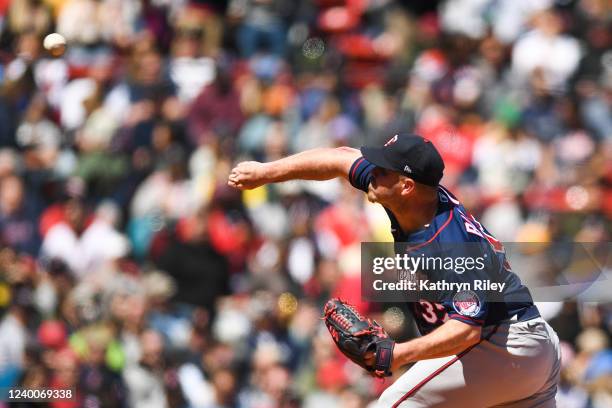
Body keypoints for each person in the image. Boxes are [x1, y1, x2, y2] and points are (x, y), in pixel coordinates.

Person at [228, 133, 561, 407]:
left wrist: (397, 354)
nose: (372, 171)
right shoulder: (412, 200)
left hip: (504, 344)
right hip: (525, 353)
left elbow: (467, 330)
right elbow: (340, 158)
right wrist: (266, 172)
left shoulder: (449, 244)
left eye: (382, 170)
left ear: (406, 186)